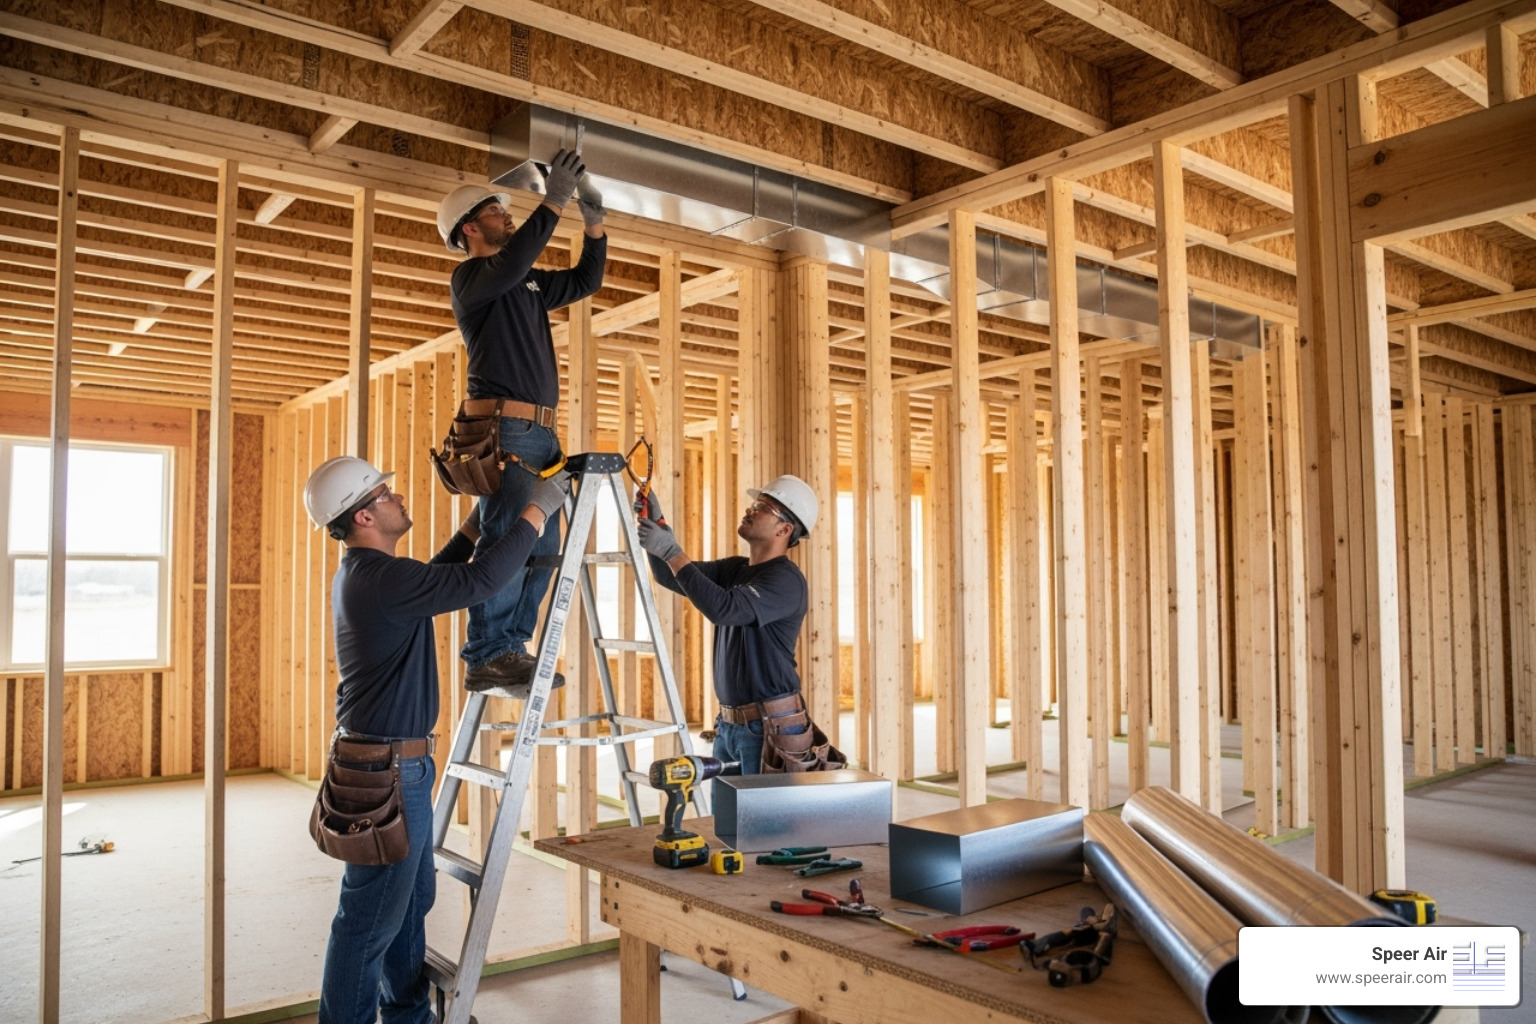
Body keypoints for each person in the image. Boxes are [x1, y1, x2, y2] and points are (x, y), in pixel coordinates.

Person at [302, 454, 568, 1024]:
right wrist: (535, 513)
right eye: (386, 494)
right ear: (365, 517)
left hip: (388, 766)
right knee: (369, 921)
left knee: (406, 906)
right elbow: (477, 582)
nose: (398, 498)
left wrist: (478, 523)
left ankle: (408, 1016)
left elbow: (439, 576)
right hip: (388, 772)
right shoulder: (380, 581)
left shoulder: (373, 576)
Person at [435, 148, 607, 693]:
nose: (507, 215)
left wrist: (594, 220)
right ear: (470, 228)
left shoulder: (526, 284)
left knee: (541, 546)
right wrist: (554, 199)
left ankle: (511, 646)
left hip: (537, 434)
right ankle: (487, 652)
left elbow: (585, 281)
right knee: (509, 536)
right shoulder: (472, 280)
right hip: (503, 431)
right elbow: (513, 261)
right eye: (496, 211)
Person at [635, 475, 819, 794]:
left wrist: (672, 550)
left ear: (784, 529)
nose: (751, 510)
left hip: (771, 727)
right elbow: (670, 575)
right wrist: (657, 530)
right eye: (755, 503)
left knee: (765, 828)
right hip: (731, 725)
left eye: (763, 506)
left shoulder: (786, 581)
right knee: (729, 826)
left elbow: (725, 609)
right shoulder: (735, 569)